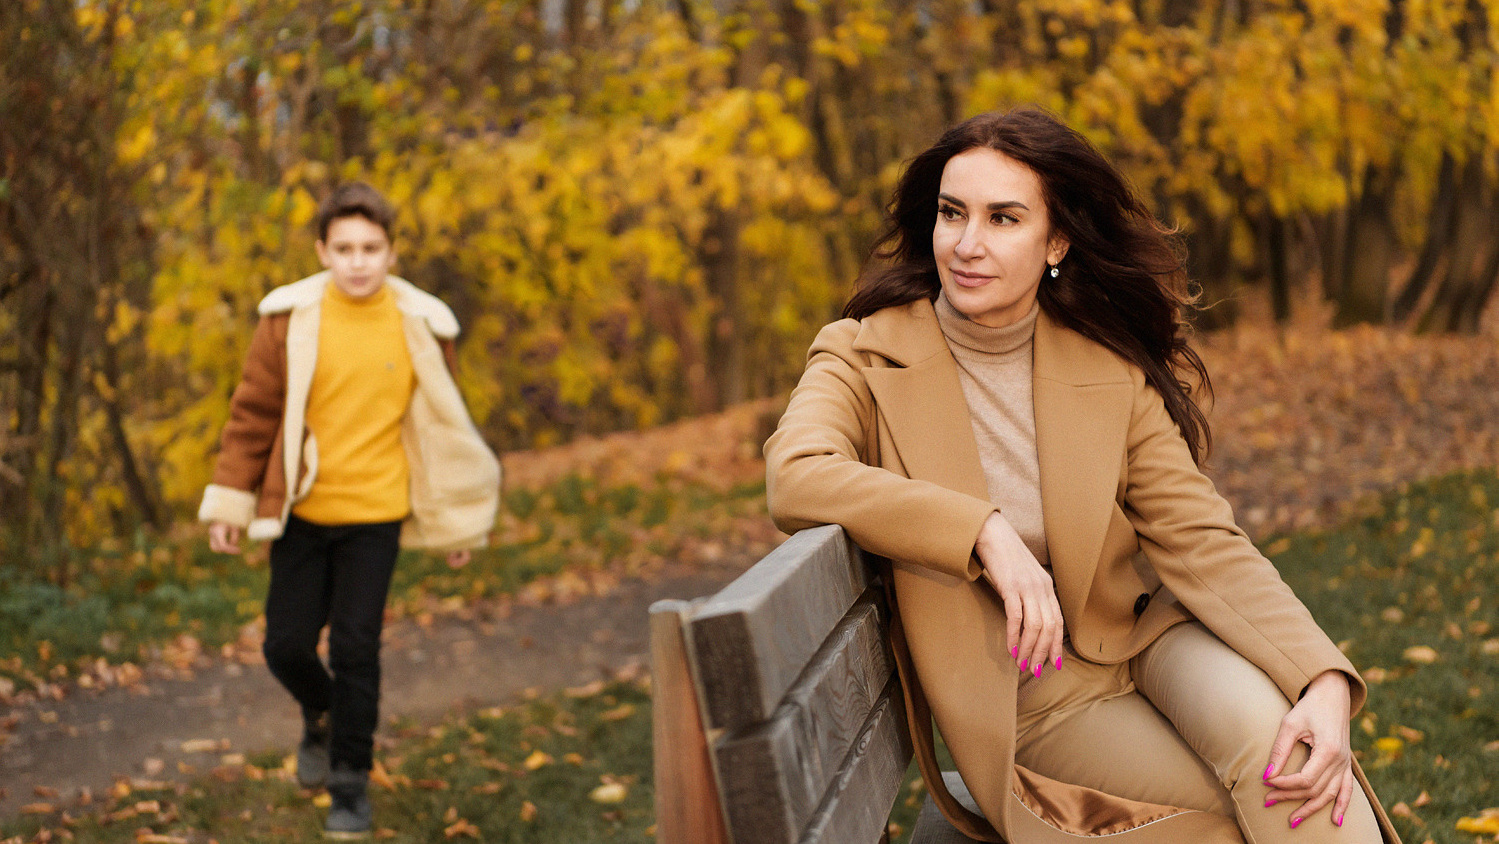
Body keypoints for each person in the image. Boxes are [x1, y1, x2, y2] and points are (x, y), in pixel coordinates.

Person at [764, 110, 1399, 843]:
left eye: (1003, 219)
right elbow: (796, 475)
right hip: (1038, 697)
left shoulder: (1103, 366)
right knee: (1271, 806)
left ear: (1056, 240)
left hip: (1156, 643)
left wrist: (1319, 677)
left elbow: (1203, 541)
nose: (966, 245)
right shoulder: (862, 355)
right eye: (951, 214)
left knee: (1290, 763)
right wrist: (982, 532)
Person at [198, 182, 501, 839]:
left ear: (392, 253)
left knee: (358, 647)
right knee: (285, 645)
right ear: (321, 252)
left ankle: (348, 783)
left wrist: (458, 522)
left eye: (371, 248)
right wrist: (231, 499)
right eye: (344, 249)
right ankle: (324, 712)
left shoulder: (423, 323)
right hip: (303, 512)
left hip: (376, 515)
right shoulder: (287, 319)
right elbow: (252, 414)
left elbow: (444, 429)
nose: (358, 261)